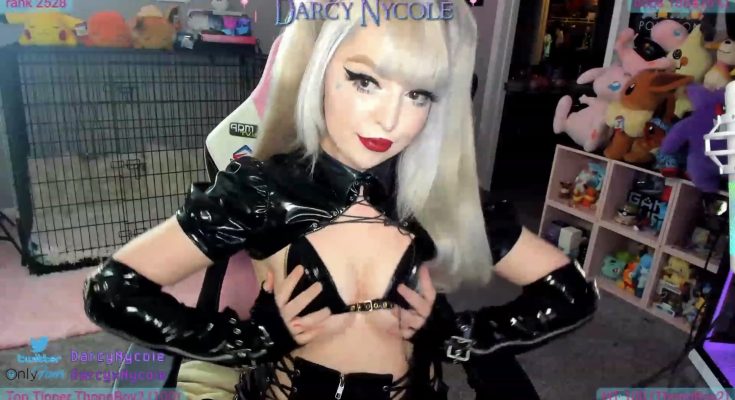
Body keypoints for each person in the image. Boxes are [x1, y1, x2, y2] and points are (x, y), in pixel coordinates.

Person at [83, 0, 599, 399]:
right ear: (318, 69)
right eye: (365, 81)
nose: (390, 119)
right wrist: (250, 339)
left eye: (418, 94)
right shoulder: (264, 190)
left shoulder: (433, 199)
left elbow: (571, 293)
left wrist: (458, 334)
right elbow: (114, 290)